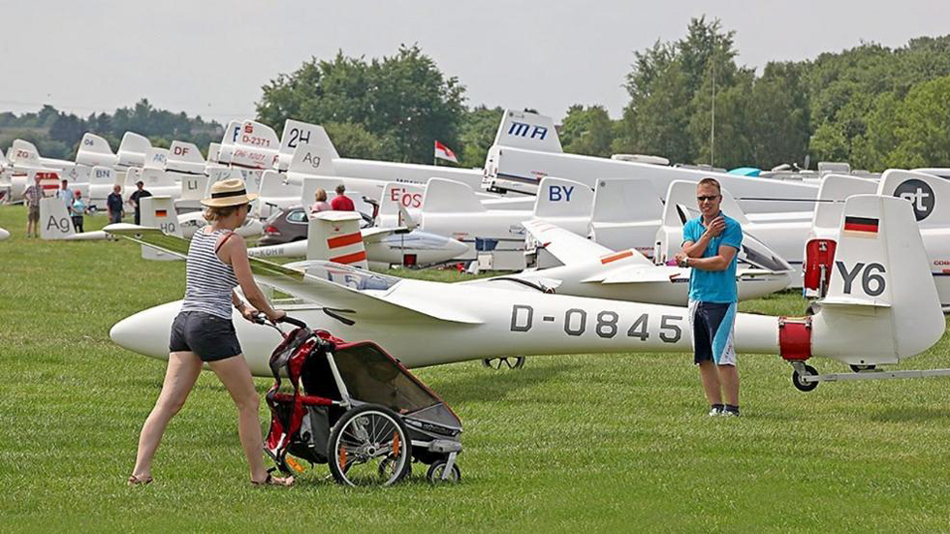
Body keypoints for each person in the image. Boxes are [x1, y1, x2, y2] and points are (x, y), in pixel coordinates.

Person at [128, 178, 293, 487]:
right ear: (237, 209)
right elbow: (251, 288)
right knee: (248, 402)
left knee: (168, 404)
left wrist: (243, 309)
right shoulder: (234, 241)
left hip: (184, 323)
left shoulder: (201, 237)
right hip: (211, 326)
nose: (248, 211)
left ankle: (140, 472)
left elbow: (213, 281)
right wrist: (272, 313)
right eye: (246, 206)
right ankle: (259, 476)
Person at [674, 178, 743, 417]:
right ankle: (715, 406)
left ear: (720, 199)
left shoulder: (731, 227)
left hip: (722, 300)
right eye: (701, 198)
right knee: (703, 357)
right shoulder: (692, 226)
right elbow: (687, 250)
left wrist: (690, 261)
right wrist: (707, 236)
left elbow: (721, 262)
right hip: (696, 298)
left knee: (723, 356)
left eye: (710, 198)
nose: (706, 202)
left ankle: (732, 408)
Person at [23, 174, 42, 238]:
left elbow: (43, 195)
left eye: (39, 179)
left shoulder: (41, 187)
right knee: (30, 220)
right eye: (37, 179)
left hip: (38, 205)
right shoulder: (31, 187)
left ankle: (35, 233)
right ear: (34, 179)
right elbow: (23, 194)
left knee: (36, 221)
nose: (38, 180)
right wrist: (29, 199)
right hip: (32, 205)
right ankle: (28, 233)